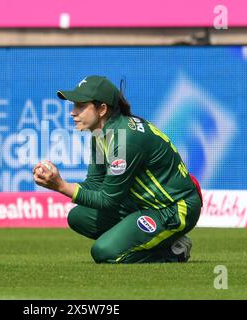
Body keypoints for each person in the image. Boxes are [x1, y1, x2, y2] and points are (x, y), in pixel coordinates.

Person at [33, 75, 202, 263]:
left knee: (103, 252)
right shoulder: (100, 135)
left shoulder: (124, 139)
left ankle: (172, 252)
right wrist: (58, 180)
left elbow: (108, 200)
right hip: (143, 205)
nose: (73, 112)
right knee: (79, 217)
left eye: (80, 106)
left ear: (102, 109)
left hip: (174, 209)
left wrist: (60, 186)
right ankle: (159, 240)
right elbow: (95, 183)